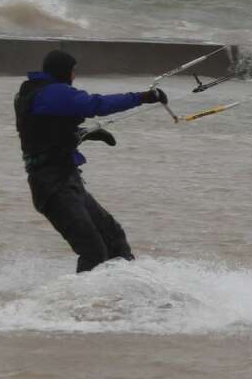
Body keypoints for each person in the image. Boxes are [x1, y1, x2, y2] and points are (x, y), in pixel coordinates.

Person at [15, 49, 166, 273]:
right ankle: (79, 304)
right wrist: (143, 97)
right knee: (93, 250)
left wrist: (83, 133)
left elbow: (49, 132)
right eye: (73, 71)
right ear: (63, 71)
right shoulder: (50, 94)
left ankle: (125, 292)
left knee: (114, 237)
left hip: (68, 181)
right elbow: (96, 105)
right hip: (52, 187)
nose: (74, 76)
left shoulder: (43, 94)